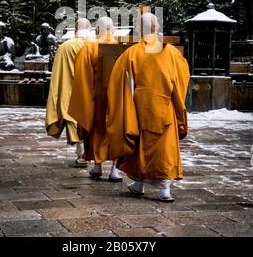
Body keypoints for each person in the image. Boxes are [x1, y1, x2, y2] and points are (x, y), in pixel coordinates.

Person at [106, 12, 190, 201]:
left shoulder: (131, 53)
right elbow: (182, 78)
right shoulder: (171, 52)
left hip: (139, 108)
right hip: (165, 107)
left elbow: (118, 83)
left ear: (138, 29)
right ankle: (160, 189)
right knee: (164, 149)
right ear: (157, 28)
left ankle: (141, 182)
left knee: (138, 145)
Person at [68, 16, 123, 182]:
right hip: (117, 96)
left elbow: (82, 77)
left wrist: (85, 99)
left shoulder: (88, 48)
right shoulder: (122, 48)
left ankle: (98, 166)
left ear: (96, 30)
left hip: (97, 96)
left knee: (97, 129)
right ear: (113, 30)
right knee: (116, 130)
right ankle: (115, 170)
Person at [45, 18, 93, 167]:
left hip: (70, 88)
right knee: (92, 119)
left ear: (75, 29)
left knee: (73, 118)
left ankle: (81, 154)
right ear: (90, 28)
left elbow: (57, 73)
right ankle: (95, 155)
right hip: (91, 90)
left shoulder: (64, 47)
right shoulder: (96, 46)